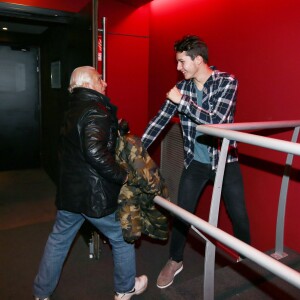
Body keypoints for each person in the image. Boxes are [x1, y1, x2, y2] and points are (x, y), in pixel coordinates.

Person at [141, 35, 251, 289]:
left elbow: (217, 121)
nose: (178, 68)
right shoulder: (184, 88)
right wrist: (136, 149)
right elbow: (159, 120)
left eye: (182, 62)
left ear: (198, 59)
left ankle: (247, 261)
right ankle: (175, 260)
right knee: (182, 212)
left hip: (224, 160)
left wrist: (184, 103)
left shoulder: (227, 81)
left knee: (239, 215)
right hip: (196, 162)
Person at [33, 66, 148, 300]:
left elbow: (81, 143)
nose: (104, 83)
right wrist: (122, 175)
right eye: (99, 79)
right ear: (87, 84)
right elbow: (94, 152)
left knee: (58, 241)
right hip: (94, 194)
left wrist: (116, 128)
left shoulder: (73, 108)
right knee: (122, 237)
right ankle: (125, 289)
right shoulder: (96, 110)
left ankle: (41, 293)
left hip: (70, 193)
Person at [116, 119, 169, 243]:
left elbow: (146, 179)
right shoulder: (123, 142)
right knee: (135, 231)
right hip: (141, 187)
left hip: (150, 188)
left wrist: (127, 179)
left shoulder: (129, 142)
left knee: (158, 223)